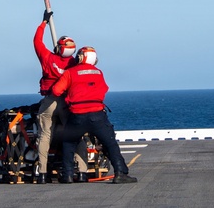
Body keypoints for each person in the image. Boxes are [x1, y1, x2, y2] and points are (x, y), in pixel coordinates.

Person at [51, 46, 138, 184]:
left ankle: (67, 175)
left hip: (77, 115)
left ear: (80, 57)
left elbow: (56, 90)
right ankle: (120, 173)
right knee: (110, 143)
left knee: (68, 143)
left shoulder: (70, 72)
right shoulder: (98, 72)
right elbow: (104, 89)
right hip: (97, 115)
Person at [32, 10, 87, 183]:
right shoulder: (74, 64)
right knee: (76, 135)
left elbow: (37, 41)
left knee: (44, 135)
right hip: (68, 102)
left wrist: (43, 23)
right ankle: (83, 171)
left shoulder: (48, 58)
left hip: (49, 101)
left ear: (58, 48)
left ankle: (42, 173)